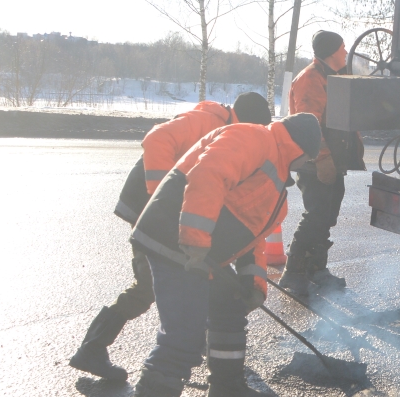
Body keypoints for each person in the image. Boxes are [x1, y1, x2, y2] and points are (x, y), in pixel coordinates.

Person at [125, 113, 322, 397]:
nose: (309, 164)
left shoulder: (278, 186)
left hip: (199, 253)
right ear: (300, 147)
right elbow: (207, 174)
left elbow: (254, 240)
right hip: (174, 241)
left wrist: (252, 284)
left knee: (230, 307)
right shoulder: (253, 138)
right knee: (182, 337)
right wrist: (195, 242)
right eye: (310, 156)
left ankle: (227, 392)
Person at [69, 93, 272, 381]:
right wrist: (161, 200)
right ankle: (91, 349)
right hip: (151, 210)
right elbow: (157, 139)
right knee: (148, 285)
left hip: (175, 212)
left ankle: (199, 341)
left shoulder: (237, 138)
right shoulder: (207, 121)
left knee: (196, 274)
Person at [278, 30, 365, 298]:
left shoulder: (333, 76)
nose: (346, 51)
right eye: (342, 47)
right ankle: (293, 272)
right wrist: (322, 158)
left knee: (326, 215)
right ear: (330, 52)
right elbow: (310, 124)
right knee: (316, 214)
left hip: (331, 159)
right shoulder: (310, 80)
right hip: (314, 161)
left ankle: (316, 270)